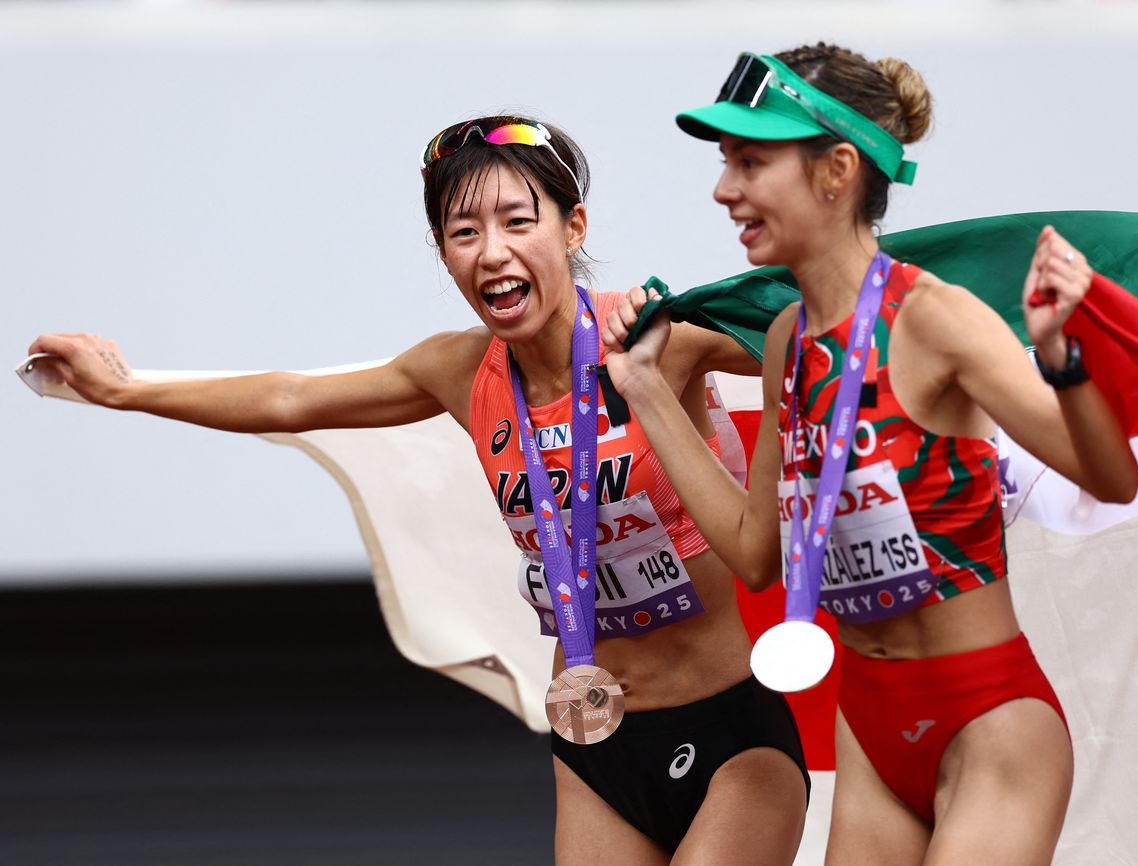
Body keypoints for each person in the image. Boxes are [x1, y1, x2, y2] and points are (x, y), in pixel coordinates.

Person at [27, 115, 809, 864]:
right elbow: (291, 399)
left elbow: (818, 326)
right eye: (464, 233)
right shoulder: (459, 371)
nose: (492, 252)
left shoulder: (654, 338)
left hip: (732, 736)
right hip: (595, 742)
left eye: (517, 221)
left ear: (573, 229)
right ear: (444, 254)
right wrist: (125, 391)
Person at [600, 45, 1138, 865]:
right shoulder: (786, 343)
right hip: (873, 728)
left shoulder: (935, 320)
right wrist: (641, 389)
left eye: (751, 161)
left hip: (987, 719)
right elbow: (754, 555)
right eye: (725, 163)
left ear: (837, 169)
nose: (724, 189)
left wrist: (1063, 360)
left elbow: (1112, 476)